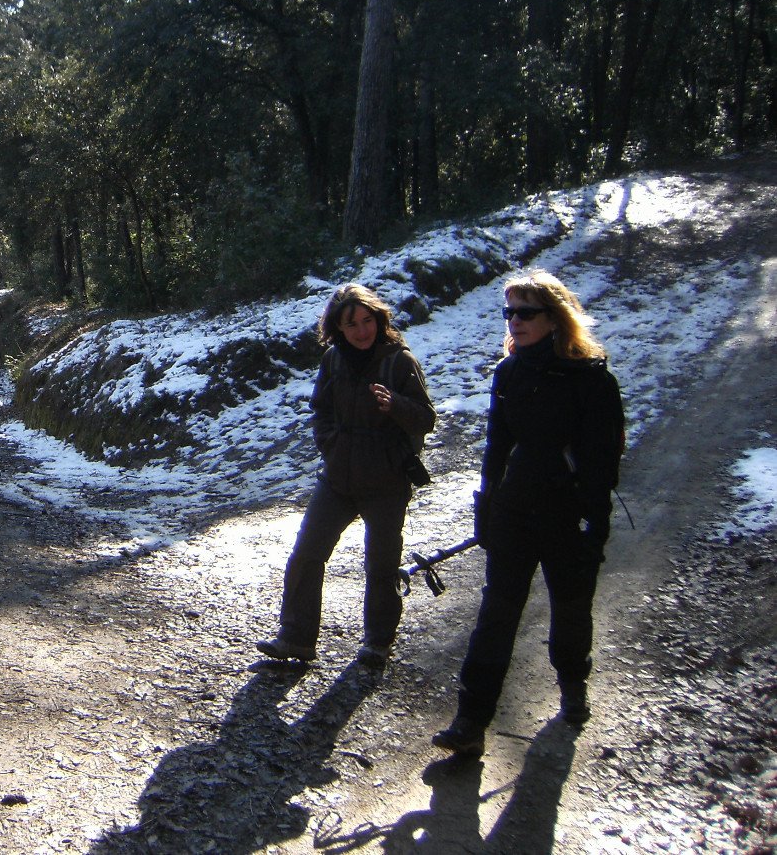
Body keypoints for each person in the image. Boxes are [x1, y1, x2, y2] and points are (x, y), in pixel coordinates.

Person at [433, 269, 624, 756]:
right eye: (509, 312)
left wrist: (595, 523)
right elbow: (497, 447)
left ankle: (573, 685)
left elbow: (602, 460)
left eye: (526, 312)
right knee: (496, 614)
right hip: (515, 510)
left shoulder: (591, 379)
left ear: (554, 318)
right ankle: (471, 720)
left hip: (567, 513)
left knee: (571, 606)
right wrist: (486, 504)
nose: (514, 321)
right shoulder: (509, 372)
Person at [257, 284, 436, 668]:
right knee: (307, 554)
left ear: (378, 319)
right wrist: (332, 445)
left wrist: (395, 404)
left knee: (381, 565)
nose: (361, 330)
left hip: (387, 482)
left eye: (367, 320)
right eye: (351, 324)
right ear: (337, 327)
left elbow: (425, 418)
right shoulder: (333, 359)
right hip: (338, 478)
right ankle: (295, 638)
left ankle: (377, 643)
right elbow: (320, 410)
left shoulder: (399, 361)